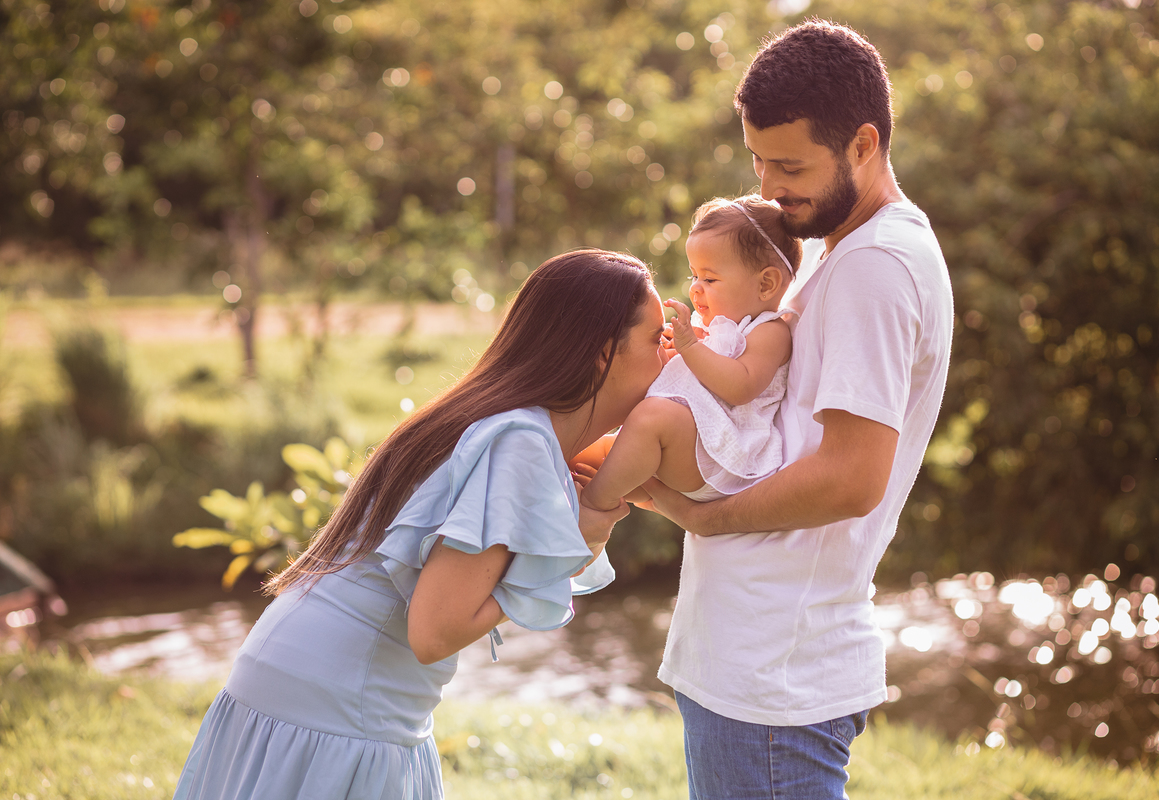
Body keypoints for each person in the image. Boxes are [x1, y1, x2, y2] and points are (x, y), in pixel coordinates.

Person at [172, 249, 664, 800]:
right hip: (339, 705)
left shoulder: (505, 418)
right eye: (657, 338)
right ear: (602, 353)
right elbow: (435, 631)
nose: (672, 355)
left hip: (293, 675)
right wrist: (578, 538)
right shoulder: (520, 443)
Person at [633, 20, 955, 800]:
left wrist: (703, 517)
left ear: (863, 144)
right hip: (752, 659)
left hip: (774, 675)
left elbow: (851, 477)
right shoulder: (838, 254)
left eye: (790, 164)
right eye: (757, 159)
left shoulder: (875, 267)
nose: (769, 187)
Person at [579, 195, 797, 514]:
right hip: (687, 440)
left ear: (766, 284)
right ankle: (551, 484)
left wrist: (691, 349)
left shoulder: (769, 331)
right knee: (589, 454)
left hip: (724, 452)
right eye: (694, 275)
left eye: (709, 278)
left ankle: (592, 508)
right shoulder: (709, 329)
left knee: (649, 420)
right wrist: (672, 357)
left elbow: (740, 387)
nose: (695, 288)